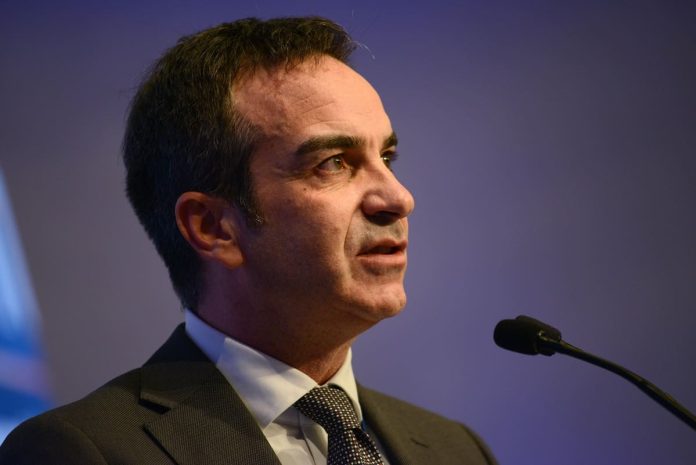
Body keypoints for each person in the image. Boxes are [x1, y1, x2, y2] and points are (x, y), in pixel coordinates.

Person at [0, 17, 496, 464]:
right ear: (212, 227)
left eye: (385, 158)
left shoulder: (455, 449)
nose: (398, 198)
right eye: (333, 164)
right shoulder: (80, 451)